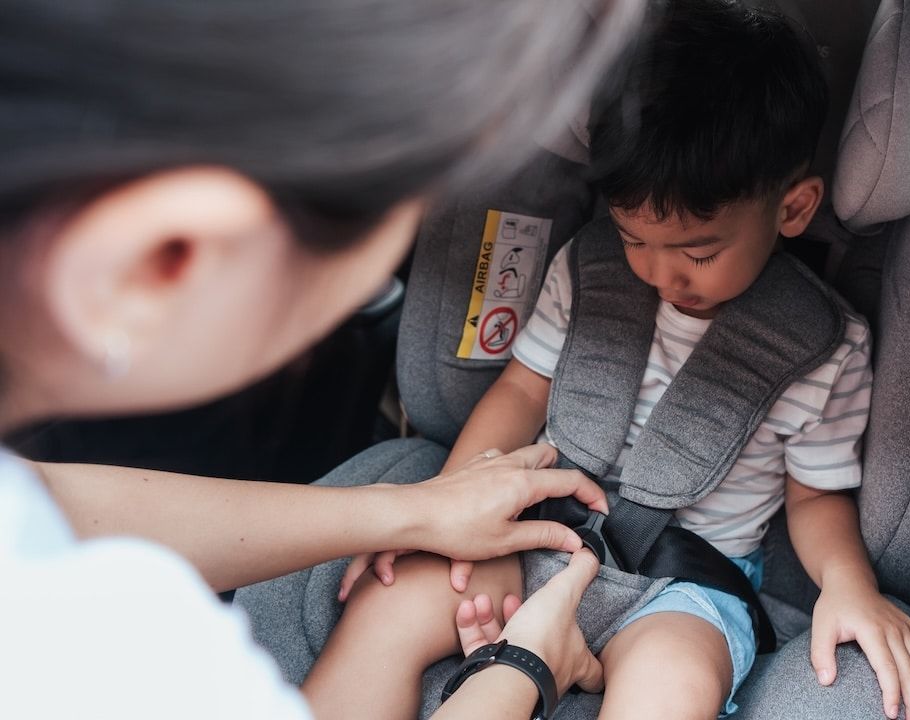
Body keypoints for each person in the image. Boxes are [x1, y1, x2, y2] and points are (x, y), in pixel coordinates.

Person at [0, 0, 644, 717]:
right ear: (164, 257)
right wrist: (525, 664)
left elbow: (51, 502)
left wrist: (410, 514)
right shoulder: (132, 661)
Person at [330, 2, 910, 719]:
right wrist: (448, 504)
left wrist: (848, 583)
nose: (658, 273)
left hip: (683, 586)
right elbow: (522, 391)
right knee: (389, 608)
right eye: (632, 238)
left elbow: (814, 497)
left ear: (794, 209)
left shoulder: (824, 349)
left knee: (672, 683)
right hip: (537, 527)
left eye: (697, 252)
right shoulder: (587, 271)